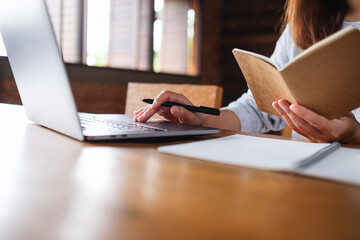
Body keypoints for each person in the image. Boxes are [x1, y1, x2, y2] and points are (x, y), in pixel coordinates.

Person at [134, 0, 360, 144]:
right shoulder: (304, 25)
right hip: (308, 173)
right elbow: (260, 108)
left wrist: (355, 135)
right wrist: (200, 119)